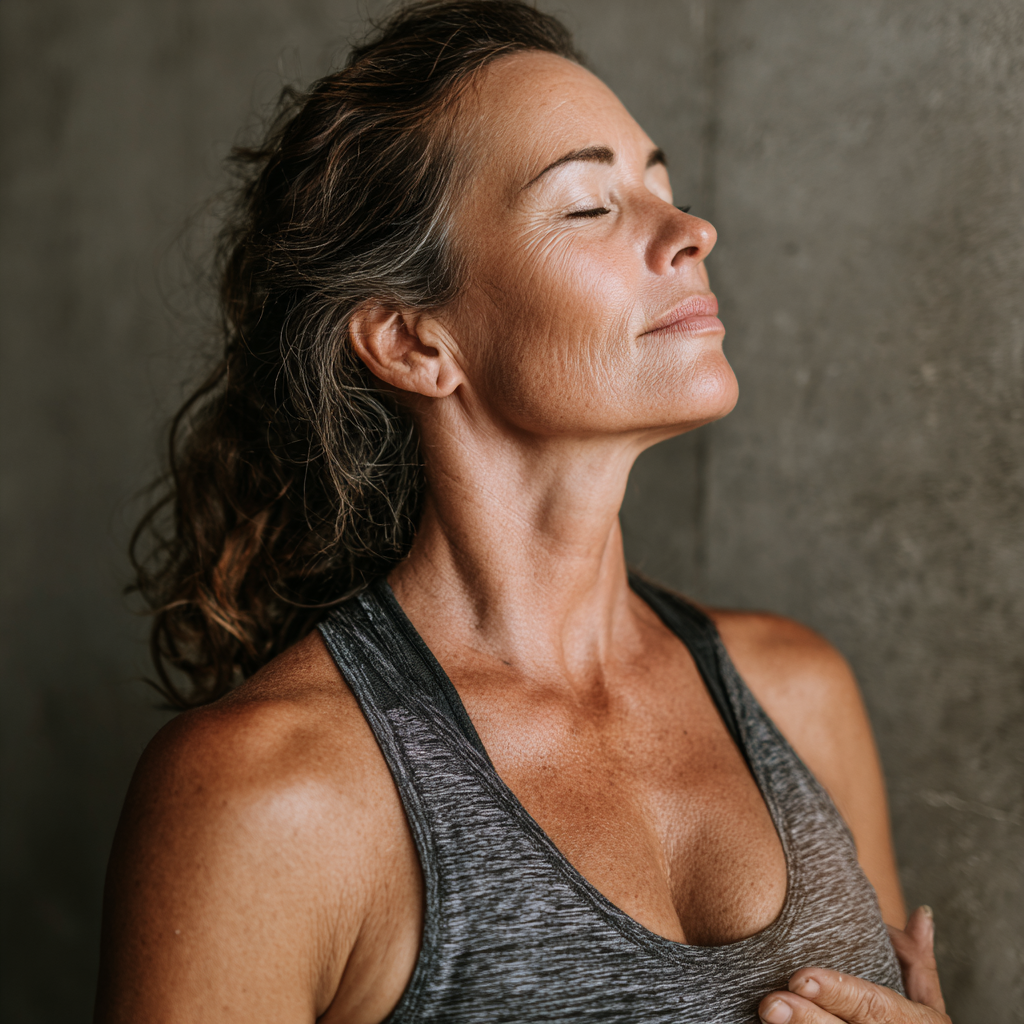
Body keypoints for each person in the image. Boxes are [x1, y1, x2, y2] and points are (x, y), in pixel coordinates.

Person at [95, 3, 950, 1022]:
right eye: (590, 205)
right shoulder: (267, 796)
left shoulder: (800, 696)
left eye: (661, 185)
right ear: (415, 342)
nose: (692, 232)